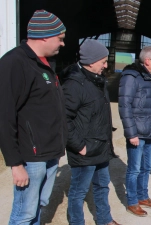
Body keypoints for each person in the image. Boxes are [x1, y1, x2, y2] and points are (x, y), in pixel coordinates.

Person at [0, 10, 67, 225]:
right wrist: (15, 164)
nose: (63, 44)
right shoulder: (14, 63)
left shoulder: (44, 64)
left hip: (49, 152)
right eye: (60, 38)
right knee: (24, 214)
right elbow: (4, 115)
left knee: (39, 205)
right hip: (31, 156)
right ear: (45, 36)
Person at [61, 39, 120, 225]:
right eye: (103, 61)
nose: (106, 65)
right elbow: (63, 119)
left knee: (102, 186)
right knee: (78, 192)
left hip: (100, 146)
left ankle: (105, 219)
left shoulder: (97, 81)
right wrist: (79, 146)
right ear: (91, 61)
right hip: (85, 150)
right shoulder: (74, 85)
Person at [118, 46, 151, 217]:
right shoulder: (131, 76)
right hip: (136, 132)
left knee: (146, 167)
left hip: (148, 130)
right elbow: (125, 106)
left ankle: (143, 196)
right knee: (134, 169)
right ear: (148, 61)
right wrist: (131, 134)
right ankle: (132, 201)